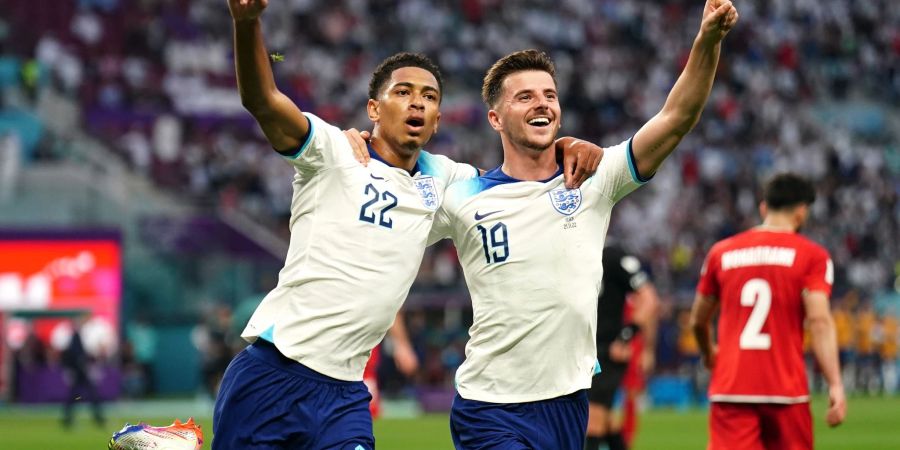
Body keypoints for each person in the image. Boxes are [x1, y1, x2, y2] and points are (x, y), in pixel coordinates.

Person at [214, 1, 601, 448]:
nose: (417, 101)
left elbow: (521, 173)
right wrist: (247, 24)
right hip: (274, 372)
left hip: (345, 393)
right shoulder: (335, 154)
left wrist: (566, 143)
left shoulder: (451, 183)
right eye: (403, 92)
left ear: (436, 122)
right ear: (374, 109)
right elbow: (261, 101)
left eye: (430, 96)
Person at [428, 1, 738, 447]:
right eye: (525, 96)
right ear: (495, 118)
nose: (542, 104)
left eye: (550, 95)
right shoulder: (464, 195)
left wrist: (707, 41)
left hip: (569, 401)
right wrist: (356, 143)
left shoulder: (593, 178)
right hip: (490, 404)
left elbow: (676, 119)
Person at [690, 173, 847, 450]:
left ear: (764, 208)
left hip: (732, 389)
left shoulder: (721, 253)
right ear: (801, 212)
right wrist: (835, 383)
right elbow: (820, 321)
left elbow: (698, 321)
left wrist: (708, 352)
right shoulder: (812, 256)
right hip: (786, 391)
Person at [585, 244, 659, 450]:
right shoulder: (579, 251)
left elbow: (649, 299)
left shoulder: (613, 255)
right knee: (607, 421)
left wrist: (626, 337)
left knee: (592, 419)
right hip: (587, 350)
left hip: (609, 352)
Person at [61, 314, 105, 428]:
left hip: (80, 371)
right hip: (80, 372)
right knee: (87, 395)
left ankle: (68, 419)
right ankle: (97, 418)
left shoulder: (78, 336)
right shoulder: (76, 337)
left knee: (77, 396)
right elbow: (74, 355)